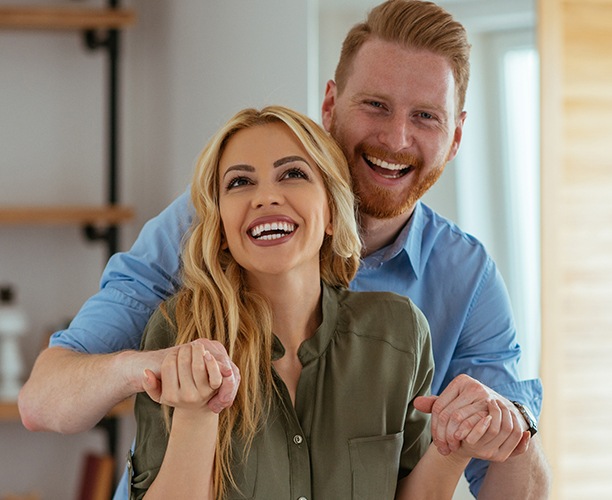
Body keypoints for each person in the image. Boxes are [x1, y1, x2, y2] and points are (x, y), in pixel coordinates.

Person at [18, 1, 550, 498]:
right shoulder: (201, 230)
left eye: (426, 117)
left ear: (455, 138)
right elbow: (44, 401)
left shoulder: (455, 286)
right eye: (375, 106)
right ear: (330, 105)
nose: (395, 138)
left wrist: (501, 426)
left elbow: (513, 483)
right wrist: (160, 371)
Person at [130, 104, 497, 499]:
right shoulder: (179, 332)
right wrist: (194, 416)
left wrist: (454, 451)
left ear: (332, 215)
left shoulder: (399, 333)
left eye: (293, 174)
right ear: (220, 227)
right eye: (239, 183)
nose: (266, 197)